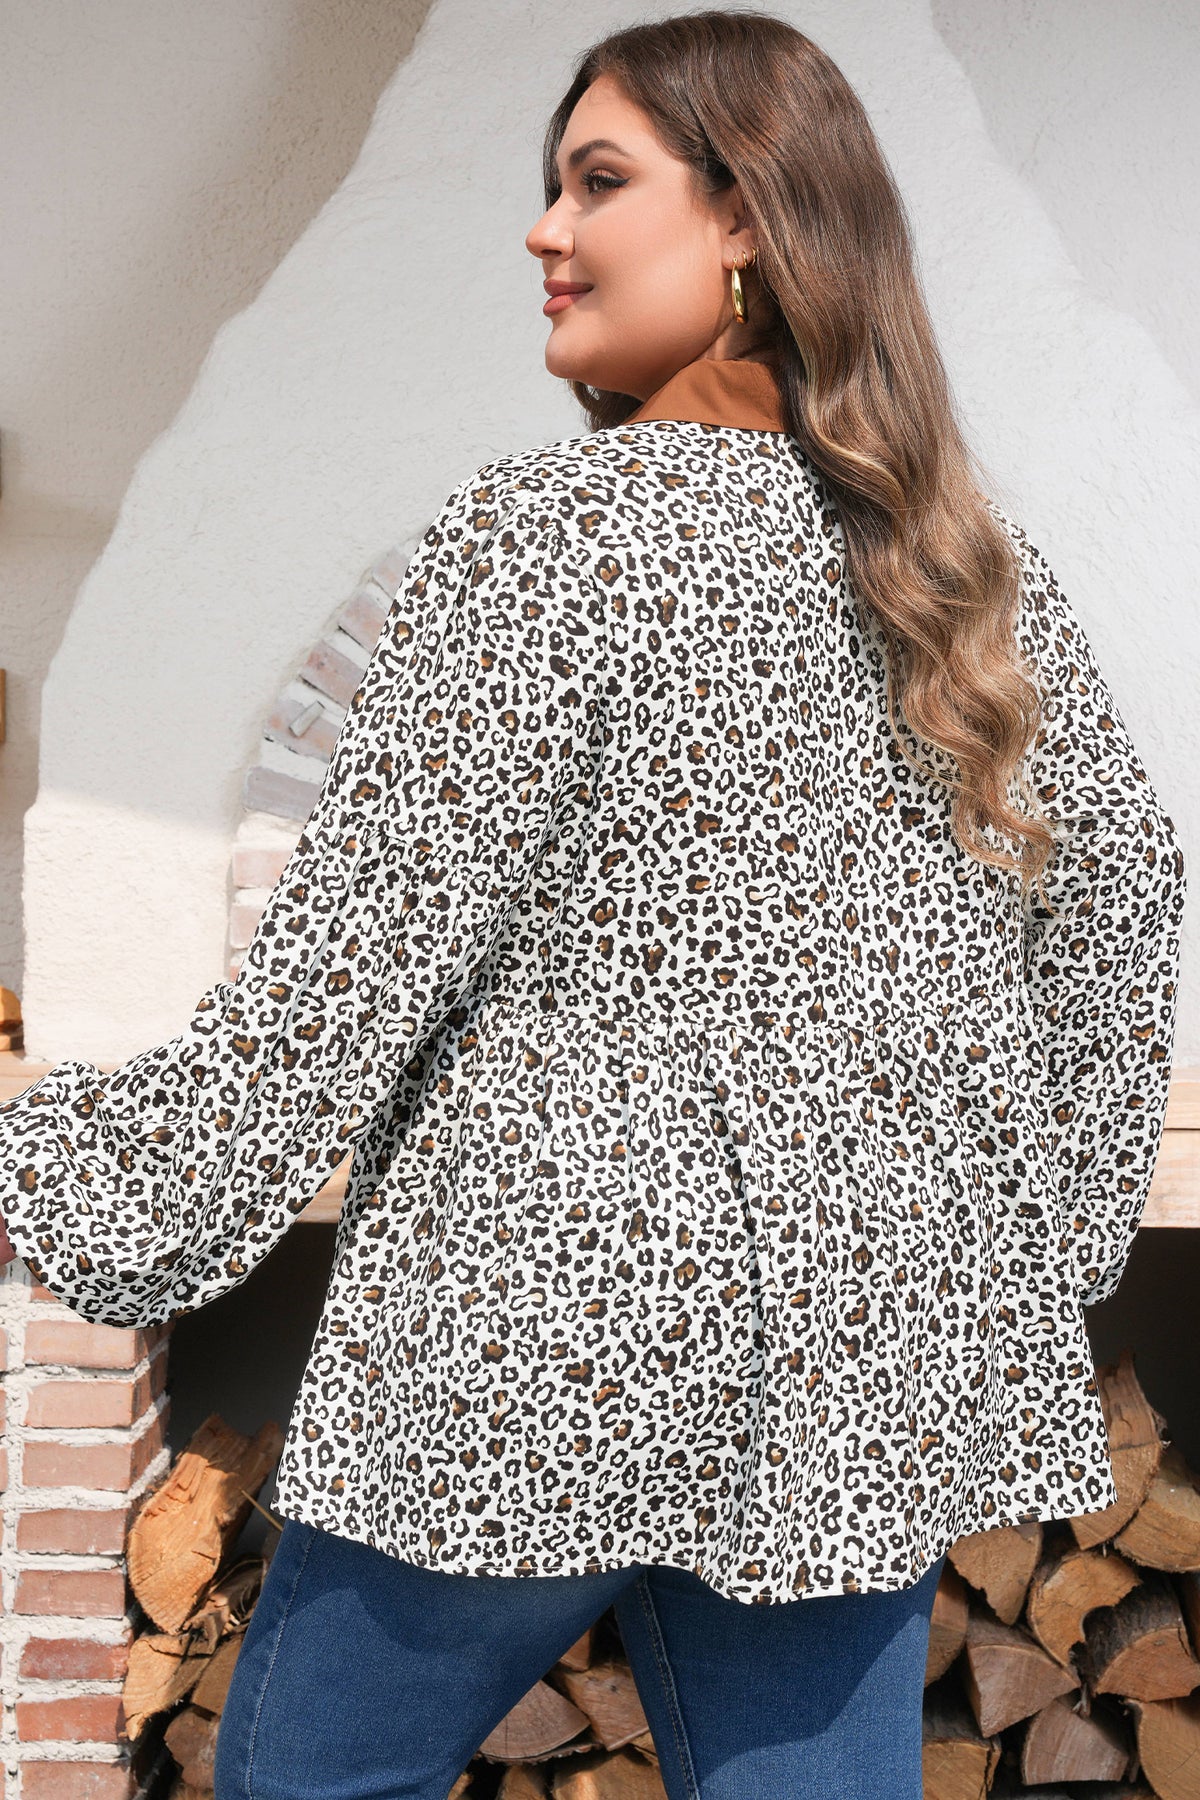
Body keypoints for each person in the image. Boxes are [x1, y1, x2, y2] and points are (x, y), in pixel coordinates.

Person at [0, 11, 1187, 1798]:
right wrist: (1035, 1240)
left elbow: (349, 971)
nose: (543, 229)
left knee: (312, 1787)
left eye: (598, 181)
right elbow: (1123, 888)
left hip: (541, 1330)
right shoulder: (948, 556)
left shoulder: (549, 540)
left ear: (750, 220)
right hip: (853, 1357)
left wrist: (70, 1180)